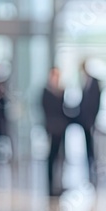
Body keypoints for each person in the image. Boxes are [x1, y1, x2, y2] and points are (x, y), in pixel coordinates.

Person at [75, 60, 102, 184]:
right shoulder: (84, 82)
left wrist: (93, 120)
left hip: (90, 121)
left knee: (91, 146)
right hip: (84, 121)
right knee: (87, 145)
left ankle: (94, 168)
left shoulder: (95, 82)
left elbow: (96, 103)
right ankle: (89, 166)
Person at [42, 67, 68, 197]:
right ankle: (50, 183)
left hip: (61, 130)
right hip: (52, 130)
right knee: (51, 157)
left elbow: (64, 111)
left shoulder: (61, 92)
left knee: (60, 157)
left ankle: (59, 183)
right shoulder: (46, 92)